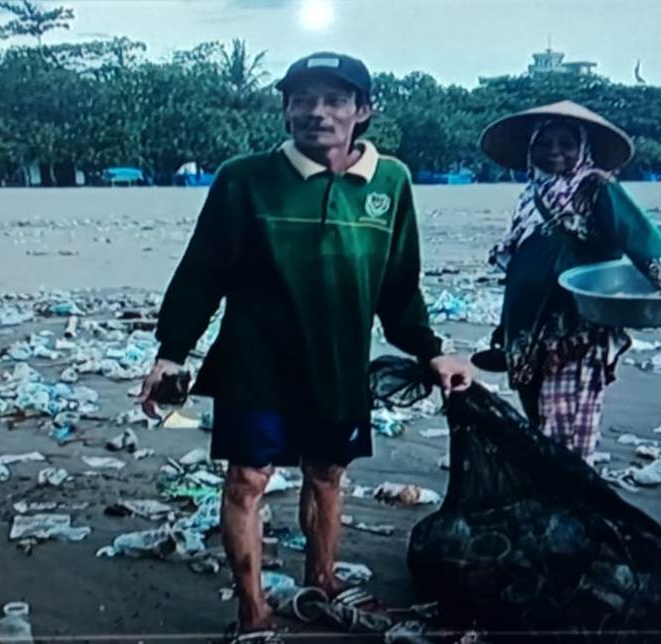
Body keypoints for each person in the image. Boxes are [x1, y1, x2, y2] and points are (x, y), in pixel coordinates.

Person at [139, 52, 474, 643]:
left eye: (335, 100)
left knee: (327, 473)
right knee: (247, 479)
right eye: (302, 99)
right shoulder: (244, 178)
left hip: (338, 362)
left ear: (363, 111)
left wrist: (431, 351)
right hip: (255, 359)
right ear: (285, 107)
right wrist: (172, 352)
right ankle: (254, 614)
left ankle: (322, 580)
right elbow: (203, 270)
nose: (316, 113)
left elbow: (399, 284)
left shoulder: (389, 182)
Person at [478, 100, 661, 460]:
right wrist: (505, 330)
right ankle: (552, 493)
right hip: (528, 330)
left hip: (574, 329)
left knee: (563, 428)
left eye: (566, 143)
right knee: (537, 420)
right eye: (544, 144)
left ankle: (569, 495)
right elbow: (523, 264)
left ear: (583, 149)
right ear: (531, 149)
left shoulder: (595, 188)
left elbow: (637, 232)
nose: (555, 152)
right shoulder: (532, 194)